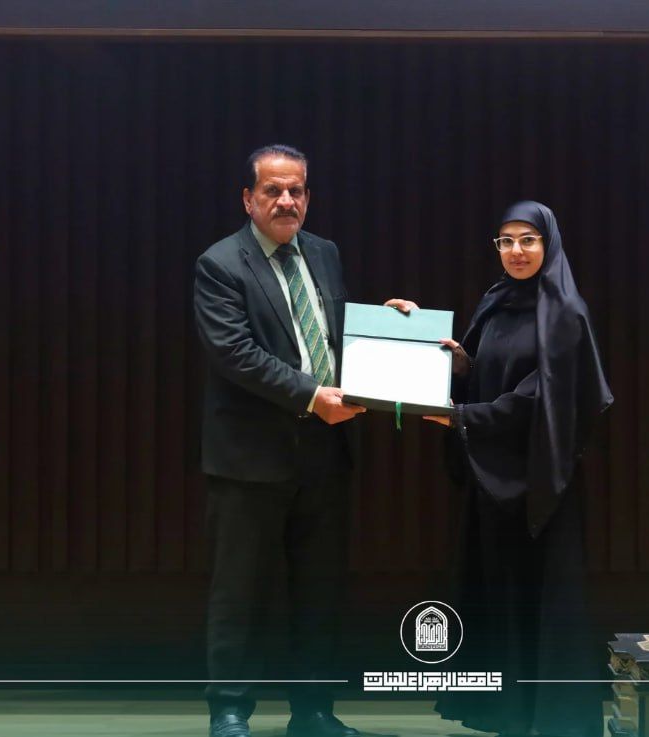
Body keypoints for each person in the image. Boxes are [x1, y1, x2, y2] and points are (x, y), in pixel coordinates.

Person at [194, 144, 414, 737]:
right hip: (250, 460)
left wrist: (389, 328)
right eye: (273, 190)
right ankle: (230, 711)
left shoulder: (324, 253)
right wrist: (313, 395)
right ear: (249, 199)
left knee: (319, 593)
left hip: (324, 454)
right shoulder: (220, 264)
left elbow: (330, 335)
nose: (286, 200)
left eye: (296, 190)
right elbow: (235, 353)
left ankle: (314, 711)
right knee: (240, 594)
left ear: (308, 197)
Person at [425, 201, 613, 737]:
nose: (516, 251)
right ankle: (504, 713)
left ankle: (552, 720)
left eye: (528, 240)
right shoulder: (495, 301)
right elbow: (485, 372)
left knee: (542, 599)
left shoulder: (565, 312)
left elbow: (538, 399)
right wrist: (451, 358)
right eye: (505, 241)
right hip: (490, 477)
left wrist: (463, 417)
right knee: (498, 594)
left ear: (548, 245)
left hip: (540, 484)